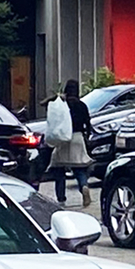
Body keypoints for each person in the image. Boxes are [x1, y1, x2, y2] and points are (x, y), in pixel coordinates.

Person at [44, 78, 93, 207]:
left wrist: (57, 97)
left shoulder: (63, 104)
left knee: (58, 169)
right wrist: (87, 136)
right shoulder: (82, 105)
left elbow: (44, 104)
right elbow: (88, 123)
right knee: (79, 169)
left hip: (63, 139)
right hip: (78, 138)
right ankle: (84, 187)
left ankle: (61, 199)